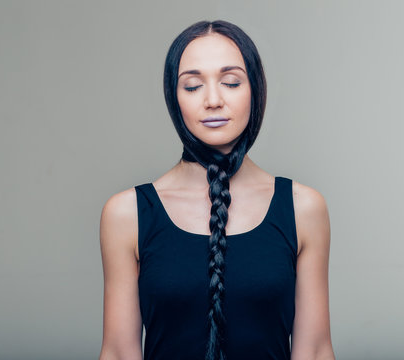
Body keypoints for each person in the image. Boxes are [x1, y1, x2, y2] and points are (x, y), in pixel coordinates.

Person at [99, 20, 335, 360]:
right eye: (193, 86)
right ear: (173, 98)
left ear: (255, 90)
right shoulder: (126, 214)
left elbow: (314, 351)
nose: (213, 100)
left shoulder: (303, 208)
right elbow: (119, 352)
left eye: (230, 82)